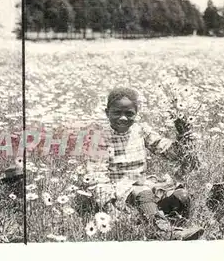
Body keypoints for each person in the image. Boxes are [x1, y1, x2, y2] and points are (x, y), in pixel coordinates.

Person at [84, 87, 204, 240]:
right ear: (107, 112)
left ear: (136, 113)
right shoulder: (99, 138)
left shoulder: (140, 130)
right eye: (116, 113)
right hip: (118, 193)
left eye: (129, 114)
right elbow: (97, 177)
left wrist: (182, 137)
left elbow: (168, 151)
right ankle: (164, 233)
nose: (123, 118)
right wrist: (109, 207)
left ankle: (172, 224)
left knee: (181, 196)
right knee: (143, 191)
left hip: (143, 186)